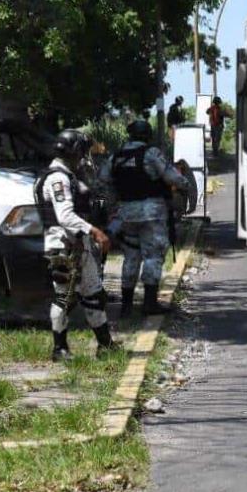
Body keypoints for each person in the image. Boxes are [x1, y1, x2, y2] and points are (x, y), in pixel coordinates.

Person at [34, 129, 116, 361]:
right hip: (65, 245)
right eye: (82, 151)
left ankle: (106, 345)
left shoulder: (67, 174)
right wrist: (95, 231)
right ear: (73, 151)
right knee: (64, 296)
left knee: (93, 294)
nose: (84, 156)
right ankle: (59, 348)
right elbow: (65, 216)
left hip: (77, 245)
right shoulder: (58, 178)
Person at [109, 119, 190, 317]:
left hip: (126, 213)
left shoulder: (116, 157)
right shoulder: (151, 153)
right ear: (147, 135)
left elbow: (103, 181)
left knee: (130, 256)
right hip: (151, 214)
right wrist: (184, 184)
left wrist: (114, 205)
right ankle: (149, 303)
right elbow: (172, 177)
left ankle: (126, 305)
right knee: (153, 255)